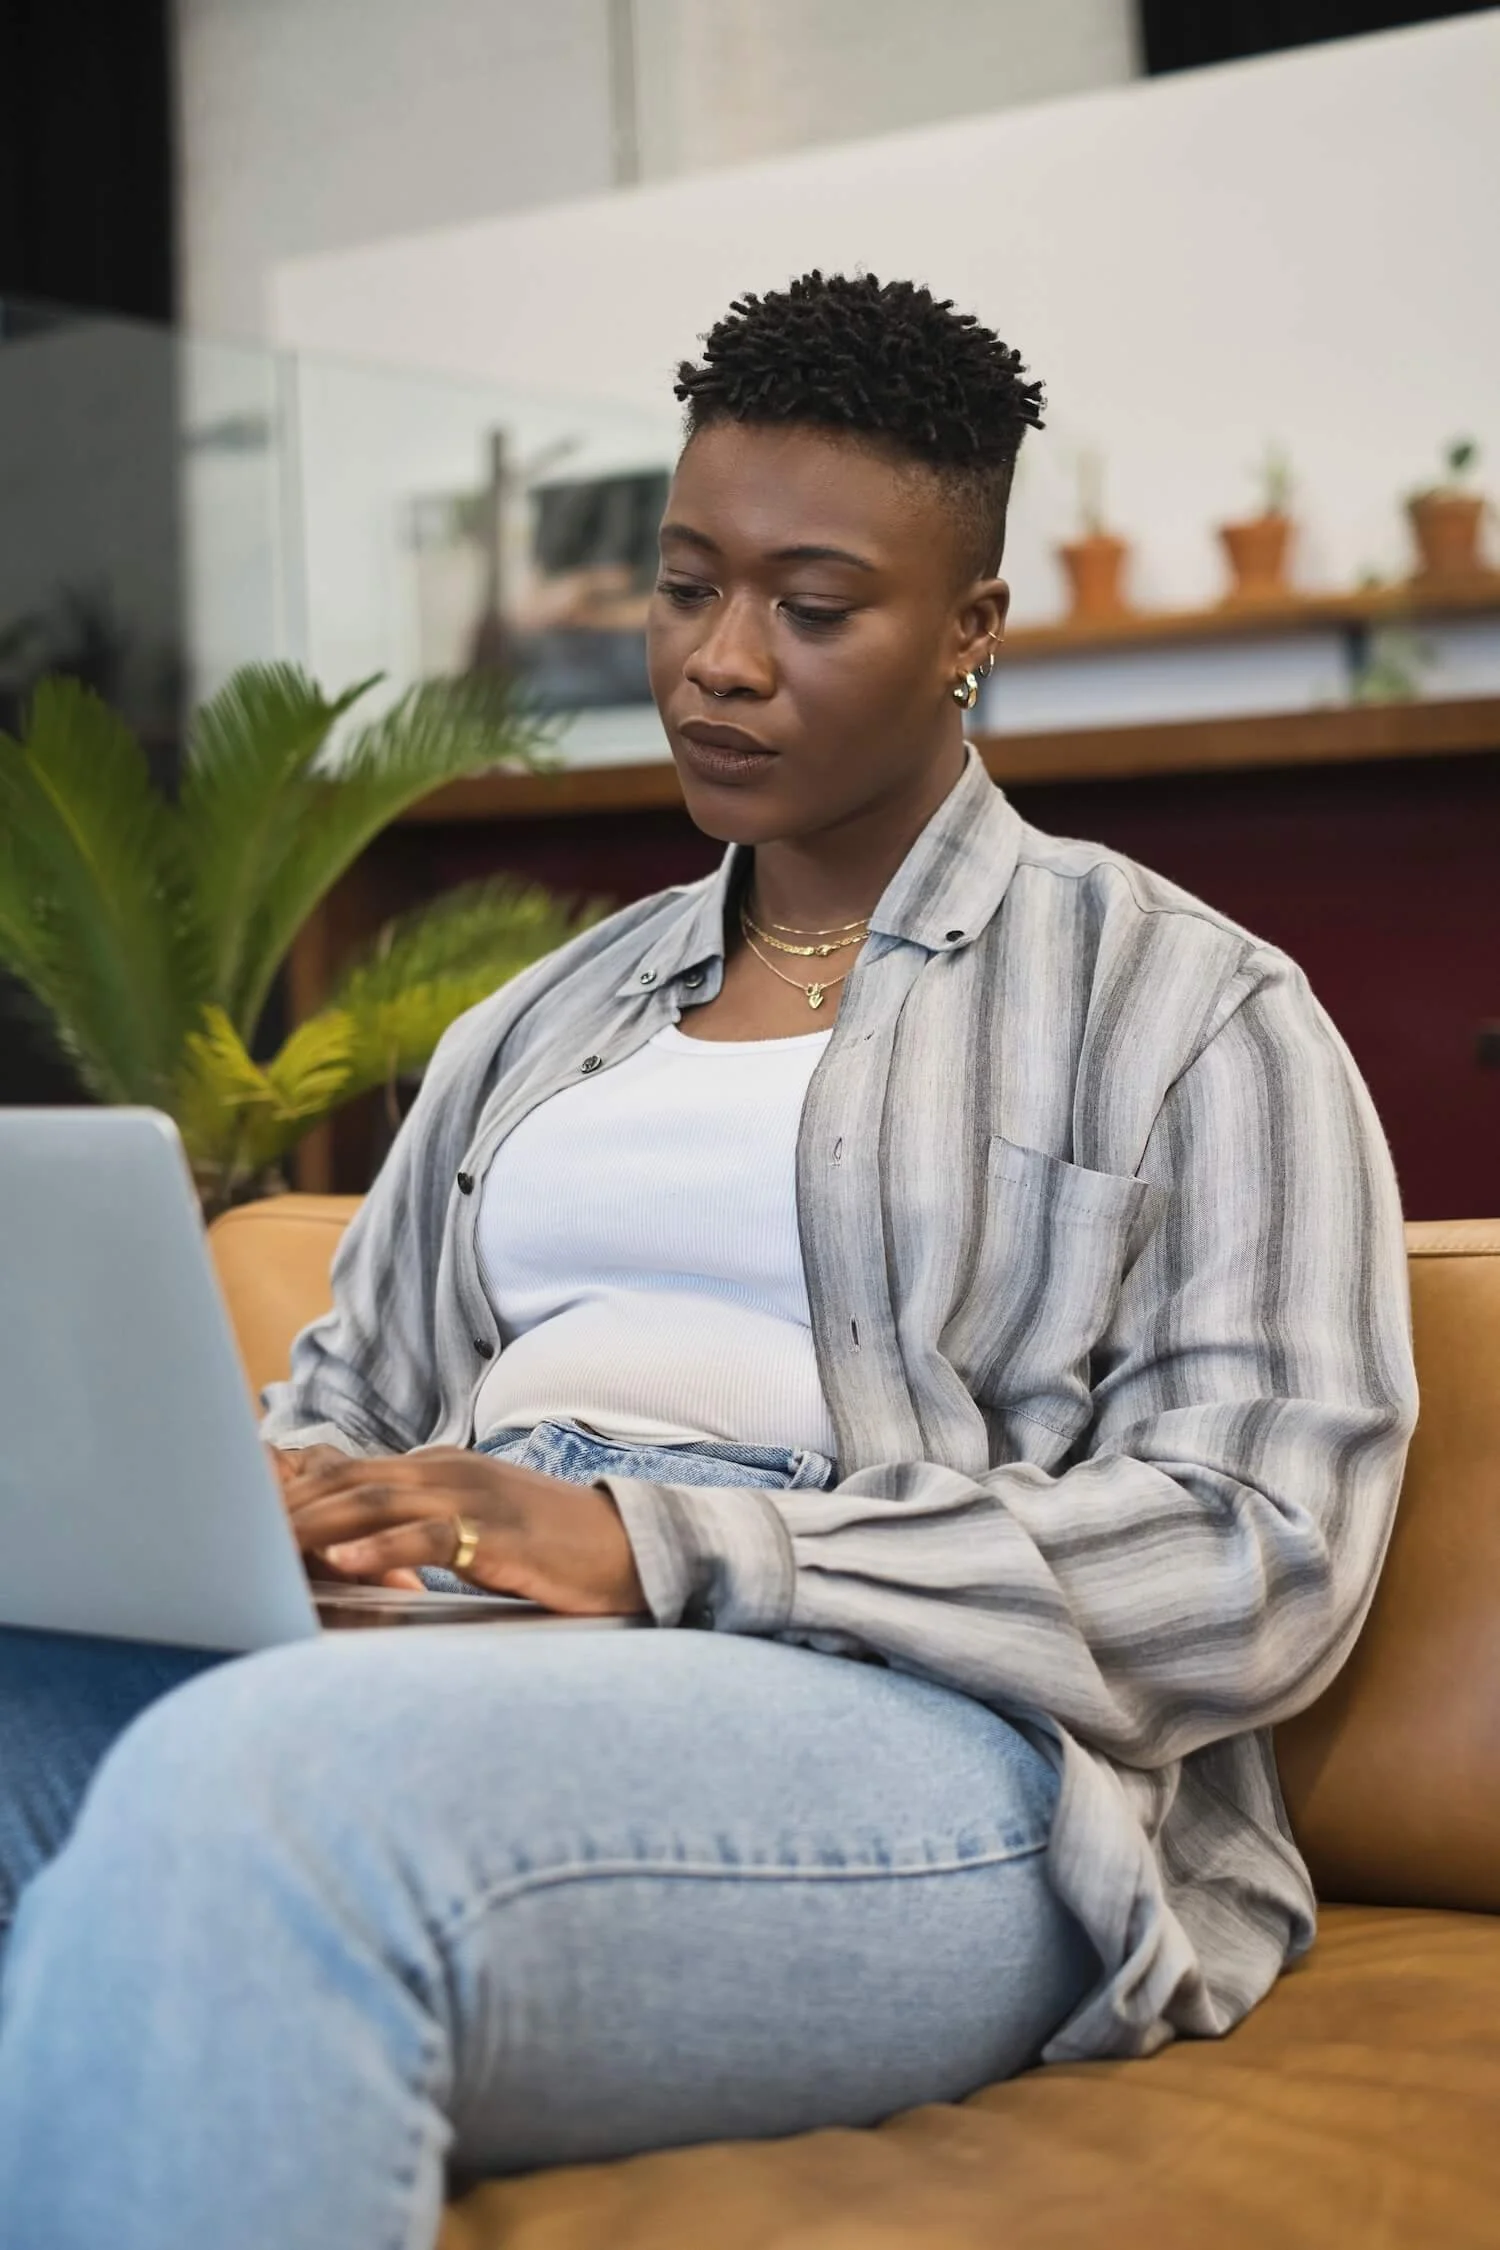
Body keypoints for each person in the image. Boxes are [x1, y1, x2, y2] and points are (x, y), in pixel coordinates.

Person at [0, 274, 1416, 2250]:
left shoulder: (1189, 1010)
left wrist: (664, 1543)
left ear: (970, 635)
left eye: (814, 609)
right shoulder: (542, 1020)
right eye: (684, 590)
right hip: (461, 1633)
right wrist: (282, 1500)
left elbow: (1261, 1554)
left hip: (920, 1725)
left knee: (264, 1798)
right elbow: (352, 1391)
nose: (720, 664)